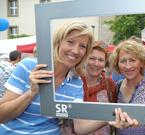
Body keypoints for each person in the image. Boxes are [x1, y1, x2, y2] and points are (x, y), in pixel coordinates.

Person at [0, 21, 137, 135]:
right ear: (58, 43)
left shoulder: (76, 82)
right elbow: (2, 116)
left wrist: (110, 117)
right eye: (70, 42)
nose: (76, 51)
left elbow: (79, 127)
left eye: (82, 46)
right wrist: (31, 93)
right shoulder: (29, 66)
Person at [109, 39, 145, 135]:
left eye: (132, 60)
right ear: (117, 64)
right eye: (123, 61)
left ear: (141, 62)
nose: (128, 66)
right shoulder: (117, 87)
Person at [76, 45, 117, 135]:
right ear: (85, 59)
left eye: (101, 60)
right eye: (92, 58)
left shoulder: (109, 84)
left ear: (105, 63)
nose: (96, 64)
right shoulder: (74, 82)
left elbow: (114, 110)